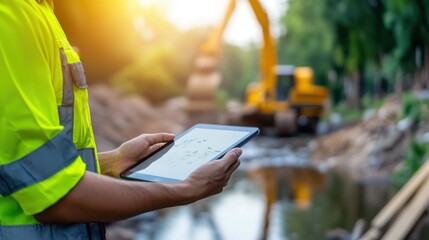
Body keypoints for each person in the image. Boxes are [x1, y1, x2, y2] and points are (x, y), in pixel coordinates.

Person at [0, 0, 242, 239]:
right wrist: (183, 190)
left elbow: (25, 167)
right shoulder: (11, 13)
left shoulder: (39, 11)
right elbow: (55, 198)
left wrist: (110, 163)